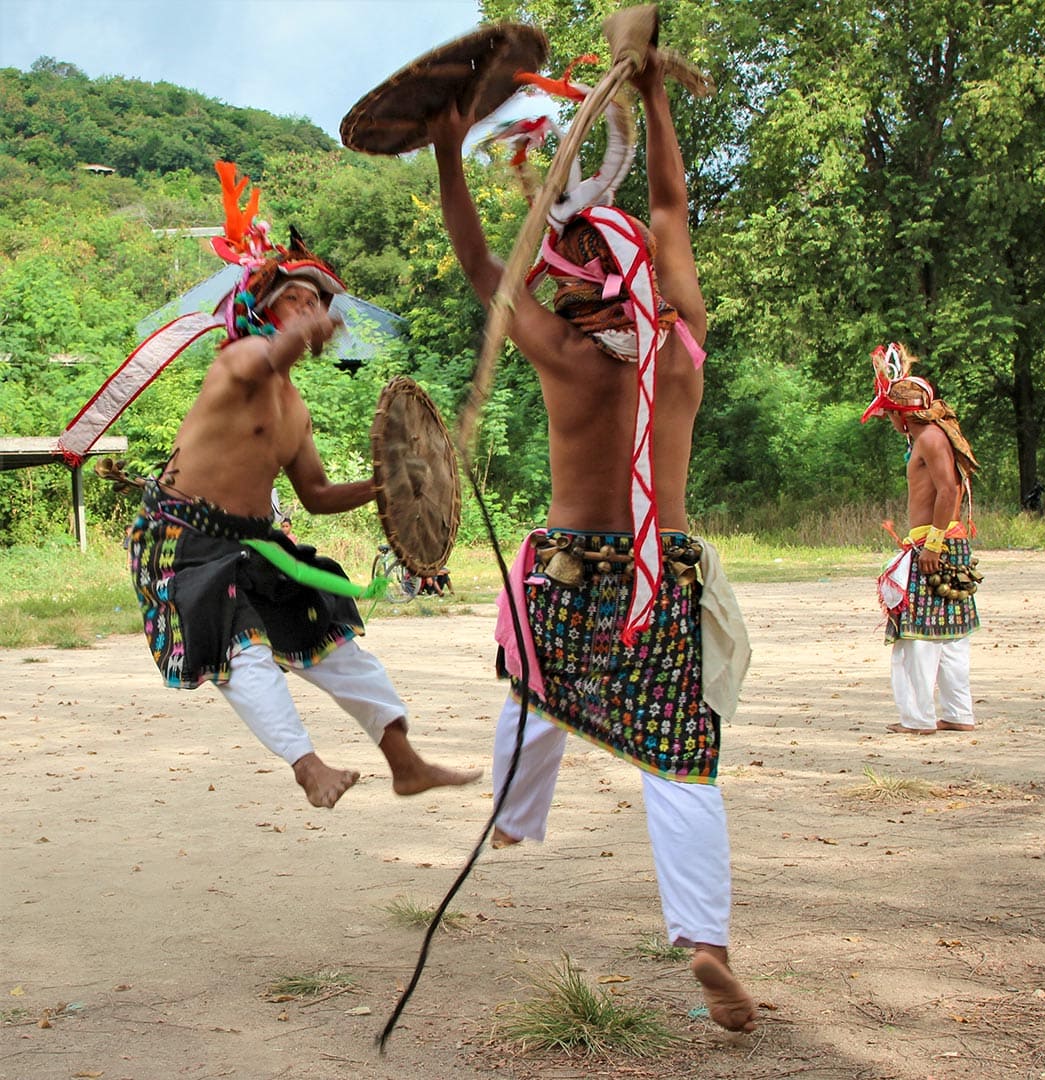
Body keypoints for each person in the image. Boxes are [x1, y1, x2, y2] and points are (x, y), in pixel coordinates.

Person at [430, 43, 756, 1033]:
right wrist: (655, 100)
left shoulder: (567, 353)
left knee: (532, 681)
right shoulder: (681, 342)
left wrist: (450, 150)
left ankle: (514, 816)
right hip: (663, 575)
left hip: (569, 572)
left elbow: (484, 262)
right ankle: (703, 940)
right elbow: (669, 211)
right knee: (678, 761)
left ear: (570, 287)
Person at [129, 162, 480, 809]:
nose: (314, 309)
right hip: (183, 541)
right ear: (262, 306)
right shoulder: (238, 362)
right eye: (298, 297)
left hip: (259, 541)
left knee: (335, 642)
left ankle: (404, 761)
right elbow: (270, 354)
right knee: (246, 652)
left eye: (320, 301)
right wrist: (303, 334)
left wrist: (385, 486)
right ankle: (308, 766)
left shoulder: (295, 410)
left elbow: (316, 496)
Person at [861, 342, 981, 735]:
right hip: (946, 543)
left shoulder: (929, 437)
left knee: (916, 636)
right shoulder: (930, 436)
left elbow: (949, 491)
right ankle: (957, 714)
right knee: (949, 636)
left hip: (936, 546)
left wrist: (932, 544)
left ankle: (918, 719)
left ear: (902, 414)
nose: (889, 421)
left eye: (890, 414)